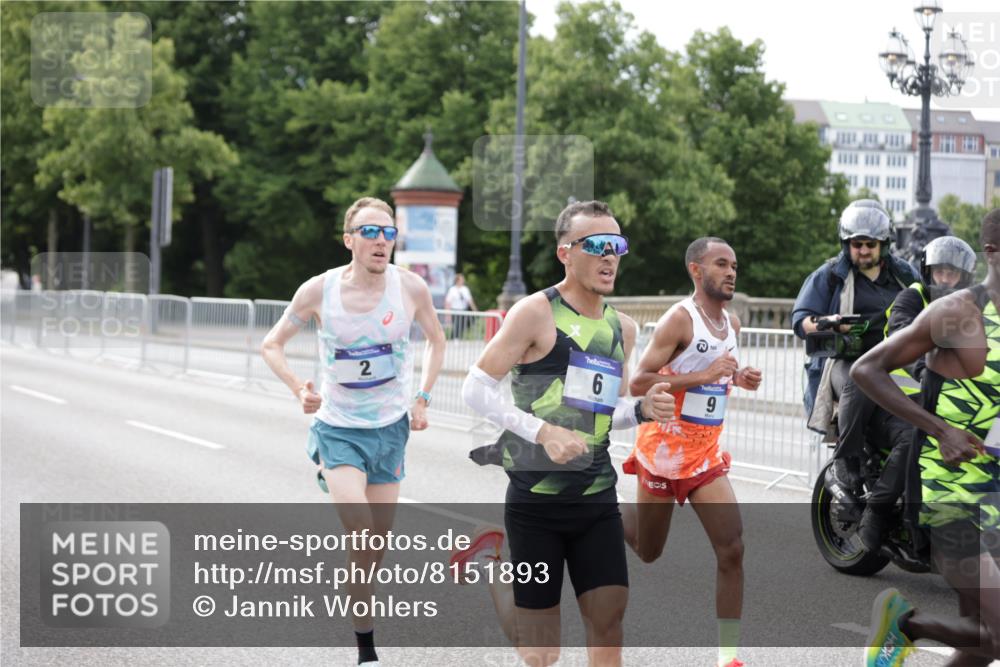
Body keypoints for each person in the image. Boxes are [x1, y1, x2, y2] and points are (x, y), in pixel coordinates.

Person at [450, 200, 674, 667]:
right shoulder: (535, 312)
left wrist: (642, 410)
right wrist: (542, 430)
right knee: (540, 652)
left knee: (608, 625)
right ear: (565, 253)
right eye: (595, 245)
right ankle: (493, 565)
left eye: (616, 245)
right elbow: (475, 388)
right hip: (536, 504)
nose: (609, 256)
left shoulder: (623, 329)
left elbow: (602, 413)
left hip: (596, 497)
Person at [260, 196, 446, 667]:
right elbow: (272, 345)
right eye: (370, 232)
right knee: (362, 533)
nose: (381, 241)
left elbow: (437, 341)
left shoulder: (411, 289)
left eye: (388, 233)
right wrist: (297, 388)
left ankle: (361, 629)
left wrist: (422, 398)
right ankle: (367, 655)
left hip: (390, 430)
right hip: (339, 430)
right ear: (349, 240)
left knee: (373, 550)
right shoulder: (318, 292)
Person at [851, 209, 1000, 667]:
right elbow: (866, 369)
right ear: (993, 252)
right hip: (947, 490)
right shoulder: (959, 312)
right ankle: (905, 624)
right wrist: (940, 429)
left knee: (982, 646)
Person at [622, 237, 762, 667]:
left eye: (735, 264)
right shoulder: (679, 321)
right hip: (663, 451)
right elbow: (640, 382)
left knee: (732, 548)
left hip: (705, 456)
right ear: (696, 271)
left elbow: (720, 376)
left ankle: (728, 657)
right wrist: (704, 375)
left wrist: (740, 379)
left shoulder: (732, 326)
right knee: (649, 550)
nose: (731, 271)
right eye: (721, 263)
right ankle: (603, 511)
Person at [858, 235, 977, 550]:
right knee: (917, 436)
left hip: (935, 399)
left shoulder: (968, 310)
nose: (945, 279)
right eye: (940, 271)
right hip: (892, 397)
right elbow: (902, 337)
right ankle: (877, 510)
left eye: (952, 273)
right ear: (928, 271)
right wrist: (925, 372)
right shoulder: (912, 298)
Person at [791, 200, 919, 492]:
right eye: (856, 244)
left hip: (895, 364)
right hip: (846, 360)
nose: (863, 250)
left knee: (922, 414)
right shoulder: (831, 274)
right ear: (846, 244)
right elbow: (801, 321)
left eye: (870, 244)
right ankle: (846, 460)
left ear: (883, 244)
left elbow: (929, 306)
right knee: (860, 378)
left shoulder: (905, 276)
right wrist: (828, 322)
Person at [444, 272, 478, 339]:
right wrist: (447, 313)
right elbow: (448, 302)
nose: (463, 281)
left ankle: (456, 337)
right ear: (457, 280)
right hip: (455, 310)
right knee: (457, 324)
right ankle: (455, 338)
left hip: (463, 309)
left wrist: (475, 309)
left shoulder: (465, 289)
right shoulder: (452, 290)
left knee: (462, 325)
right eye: (461, 279)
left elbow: (470, 300)